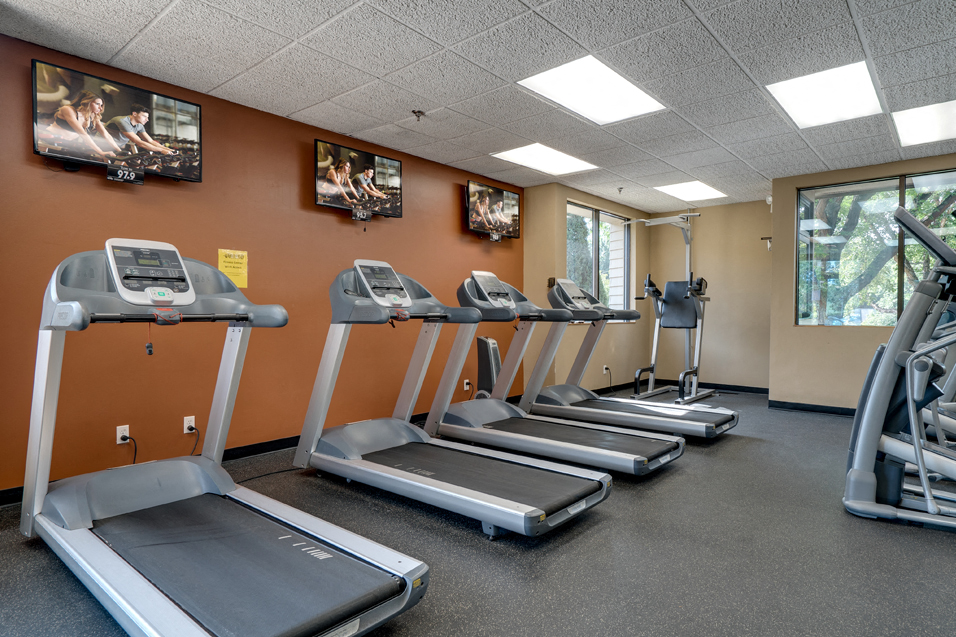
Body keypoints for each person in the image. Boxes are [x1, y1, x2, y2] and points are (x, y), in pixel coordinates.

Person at [44, 90, 124, 158]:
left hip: (66, 144)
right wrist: (100, 152)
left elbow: (107, 136)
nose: (100, 108)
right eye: (97, 104)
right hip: (48, 139)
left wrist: (120, 151)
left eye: (101, 105)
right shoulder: (68, 110)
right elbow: (82, 133)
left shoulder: (93, 116)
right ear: (87, 102)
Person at [105, 104, 175, 155]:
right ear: (134, 114)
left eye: (147, 117)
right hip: (103, 146)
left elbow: (150, 141)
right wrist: (161, 150)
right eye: (144, 116)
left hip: (116, 148)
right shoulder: (122, 121)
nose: (147, 120)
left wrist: (168, 149)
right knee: (133, 163)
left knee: (136, 162)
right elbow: (139, 142)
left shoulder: (139, 125)